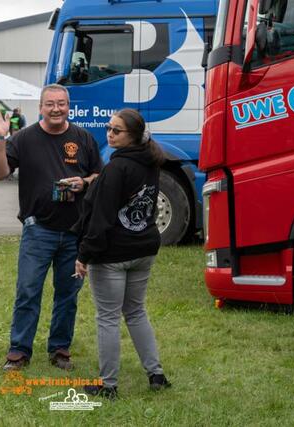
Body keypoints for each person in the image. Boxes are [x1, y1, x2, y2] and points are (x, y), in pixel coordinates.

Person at [0, 84, 102, 371]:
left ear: (68, 106)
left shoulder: (83, 138)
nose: (56, 109)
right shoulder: (24, 139)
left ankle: (60, 349)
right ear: (40, 107)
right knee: (28, 290)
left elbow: (98, 174)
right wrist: (1, 139)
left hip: (74, 231)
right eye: (50, 104)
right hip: (38, 230)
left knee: (68, 294)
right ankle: (19, 351)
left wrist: (84, 182)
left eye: (61, 104)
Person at [72, 108, 169, 399]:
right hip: (144, 248)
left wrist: (84, 255)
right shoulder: (150, 162)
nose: (109, 134)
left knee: (108, 318)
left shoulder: (117, 168)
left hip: (114, 254)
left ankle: (108, 384)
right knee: (136, 311)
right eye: (108, 128)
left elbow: (100, 217)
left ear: (134, 135)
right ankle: (156, 374)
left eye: (116, 130)